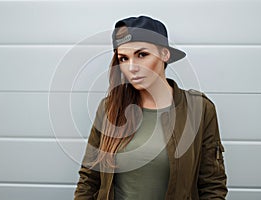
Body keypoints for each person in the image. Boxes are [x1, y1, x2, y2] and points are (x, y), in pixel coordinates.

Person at [74, 15, 227, 200]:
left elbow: (212, 185)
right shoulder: (110, 108)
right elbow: (89, 179)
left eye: (142, 55)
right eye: (123, 58)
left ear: (165, 54)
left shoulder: (198, 109)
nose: (132, 67)